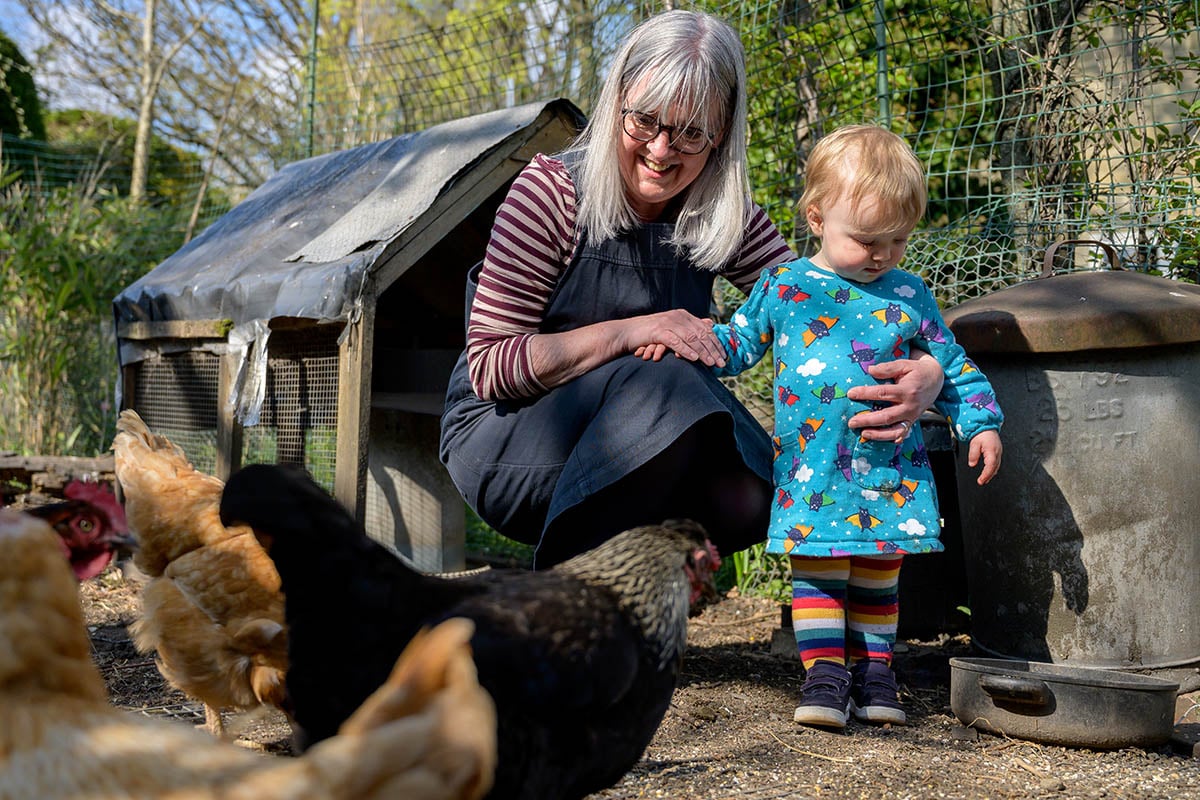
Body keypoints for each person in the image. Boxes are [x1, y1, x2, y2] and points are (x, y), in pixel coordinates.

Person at [439, 10, 946, 569]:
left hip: (646, 435)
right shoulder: (549, 194)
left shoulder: (723, 212)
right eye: (644, 121)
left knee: (768, 471)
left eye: (690, 132)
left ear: (720, 134)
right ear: (616, 104)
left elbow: (828, 304)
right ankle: (576, 594)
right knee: (670, 379)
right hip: (508, 440)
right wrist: (634, 331)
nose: (661, 149)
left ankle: (648, 587)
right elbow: (493, 367)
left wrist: (928, 371)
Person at [709, 124, 1003, 729]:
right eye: (867, 239)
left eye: (898, 239)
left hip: (890, 470)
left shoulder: (909, 294)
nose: (883, 254)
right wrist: (686, 343)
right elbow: (736, 344)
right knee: (818, 571)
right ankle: (824, 676)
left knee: (877, 574)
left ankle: (875, 674)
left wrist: (980, 423)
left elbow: (952, 366)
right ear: (817, 217)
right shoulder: (785, 286)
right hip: (812, 469)